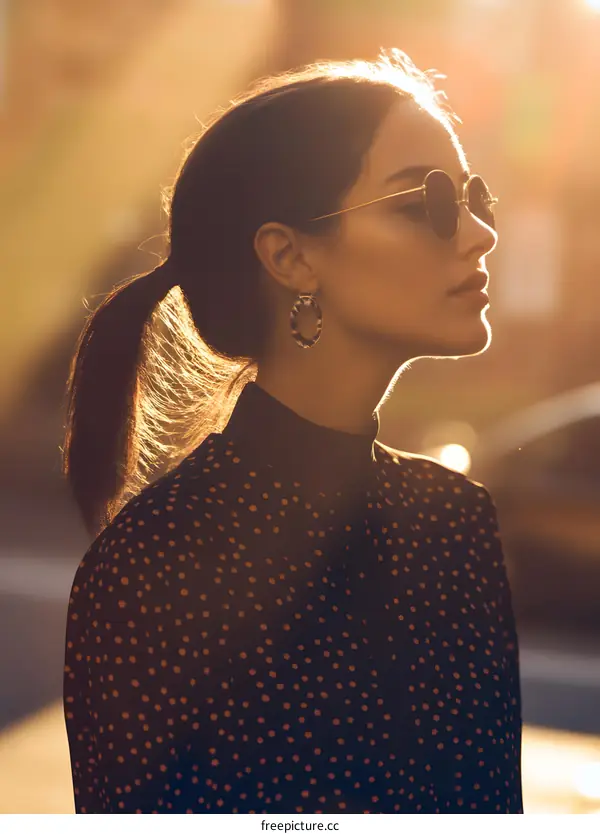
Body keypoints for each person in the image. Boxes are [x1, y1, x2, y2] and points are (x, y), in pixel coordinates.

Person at [61, 49, 522, 814]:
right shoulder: (148, 567)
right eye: (424, 203)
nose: (478, 235)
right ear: (289, 256)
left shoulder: (455, 523)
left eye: (476, 199)